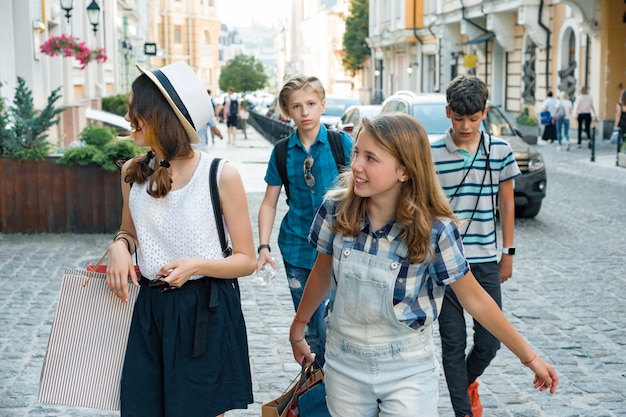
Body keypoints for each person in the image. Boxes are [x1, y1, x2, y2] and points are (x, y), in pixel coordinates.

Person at [289, 113, 558, 417]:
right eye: (356, 153)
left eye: (370, 158)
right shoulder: (335, 210)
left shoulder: (435, 230)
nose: (356, 165)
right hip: (343, 362)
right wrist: (299, 326)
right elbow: (322, 272)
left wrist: (529, 357)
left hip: (408, 369)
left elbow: (475, 298)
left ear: (404, 170)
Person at [105, 61, 256, 417]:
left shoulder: (221, 175)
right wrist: (119, 246)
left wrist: (197, 265)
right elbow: (128, 232)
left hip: (204, 311)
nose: (128, 117)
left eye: (135, 109)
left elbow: (247, 260)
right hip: (149, 311)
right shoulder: (132, 172)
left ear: (158, 115)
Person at [431, 74, 520, 417]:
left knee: (490, 341)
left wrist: (508, 254)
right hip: (444, 264)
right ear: (447, 112)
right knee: (452, 344)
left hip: (484, 261)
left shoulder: (500, 151)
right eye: (458, 118)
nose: (465, 125)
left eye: (472, 118)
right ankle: (463, 412)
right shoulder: (431, 152)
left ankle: (465, 383)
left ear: (484, 113)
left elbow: (507, 205)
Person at [257, 74, 353, 368]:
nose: (305, 112)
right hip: (298, 249)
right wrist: (263, 246)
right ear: (287, 112)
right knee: (309, 327)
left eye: (311, 104)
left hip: (340, 249)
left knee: (336, 324)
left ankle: (336, 391)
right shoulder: (283, 151)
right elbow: (269, 202)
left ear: (322, 104)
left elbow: (363, 191)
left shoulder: (341, 143)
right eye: (296, 106)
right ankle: (315, 391)